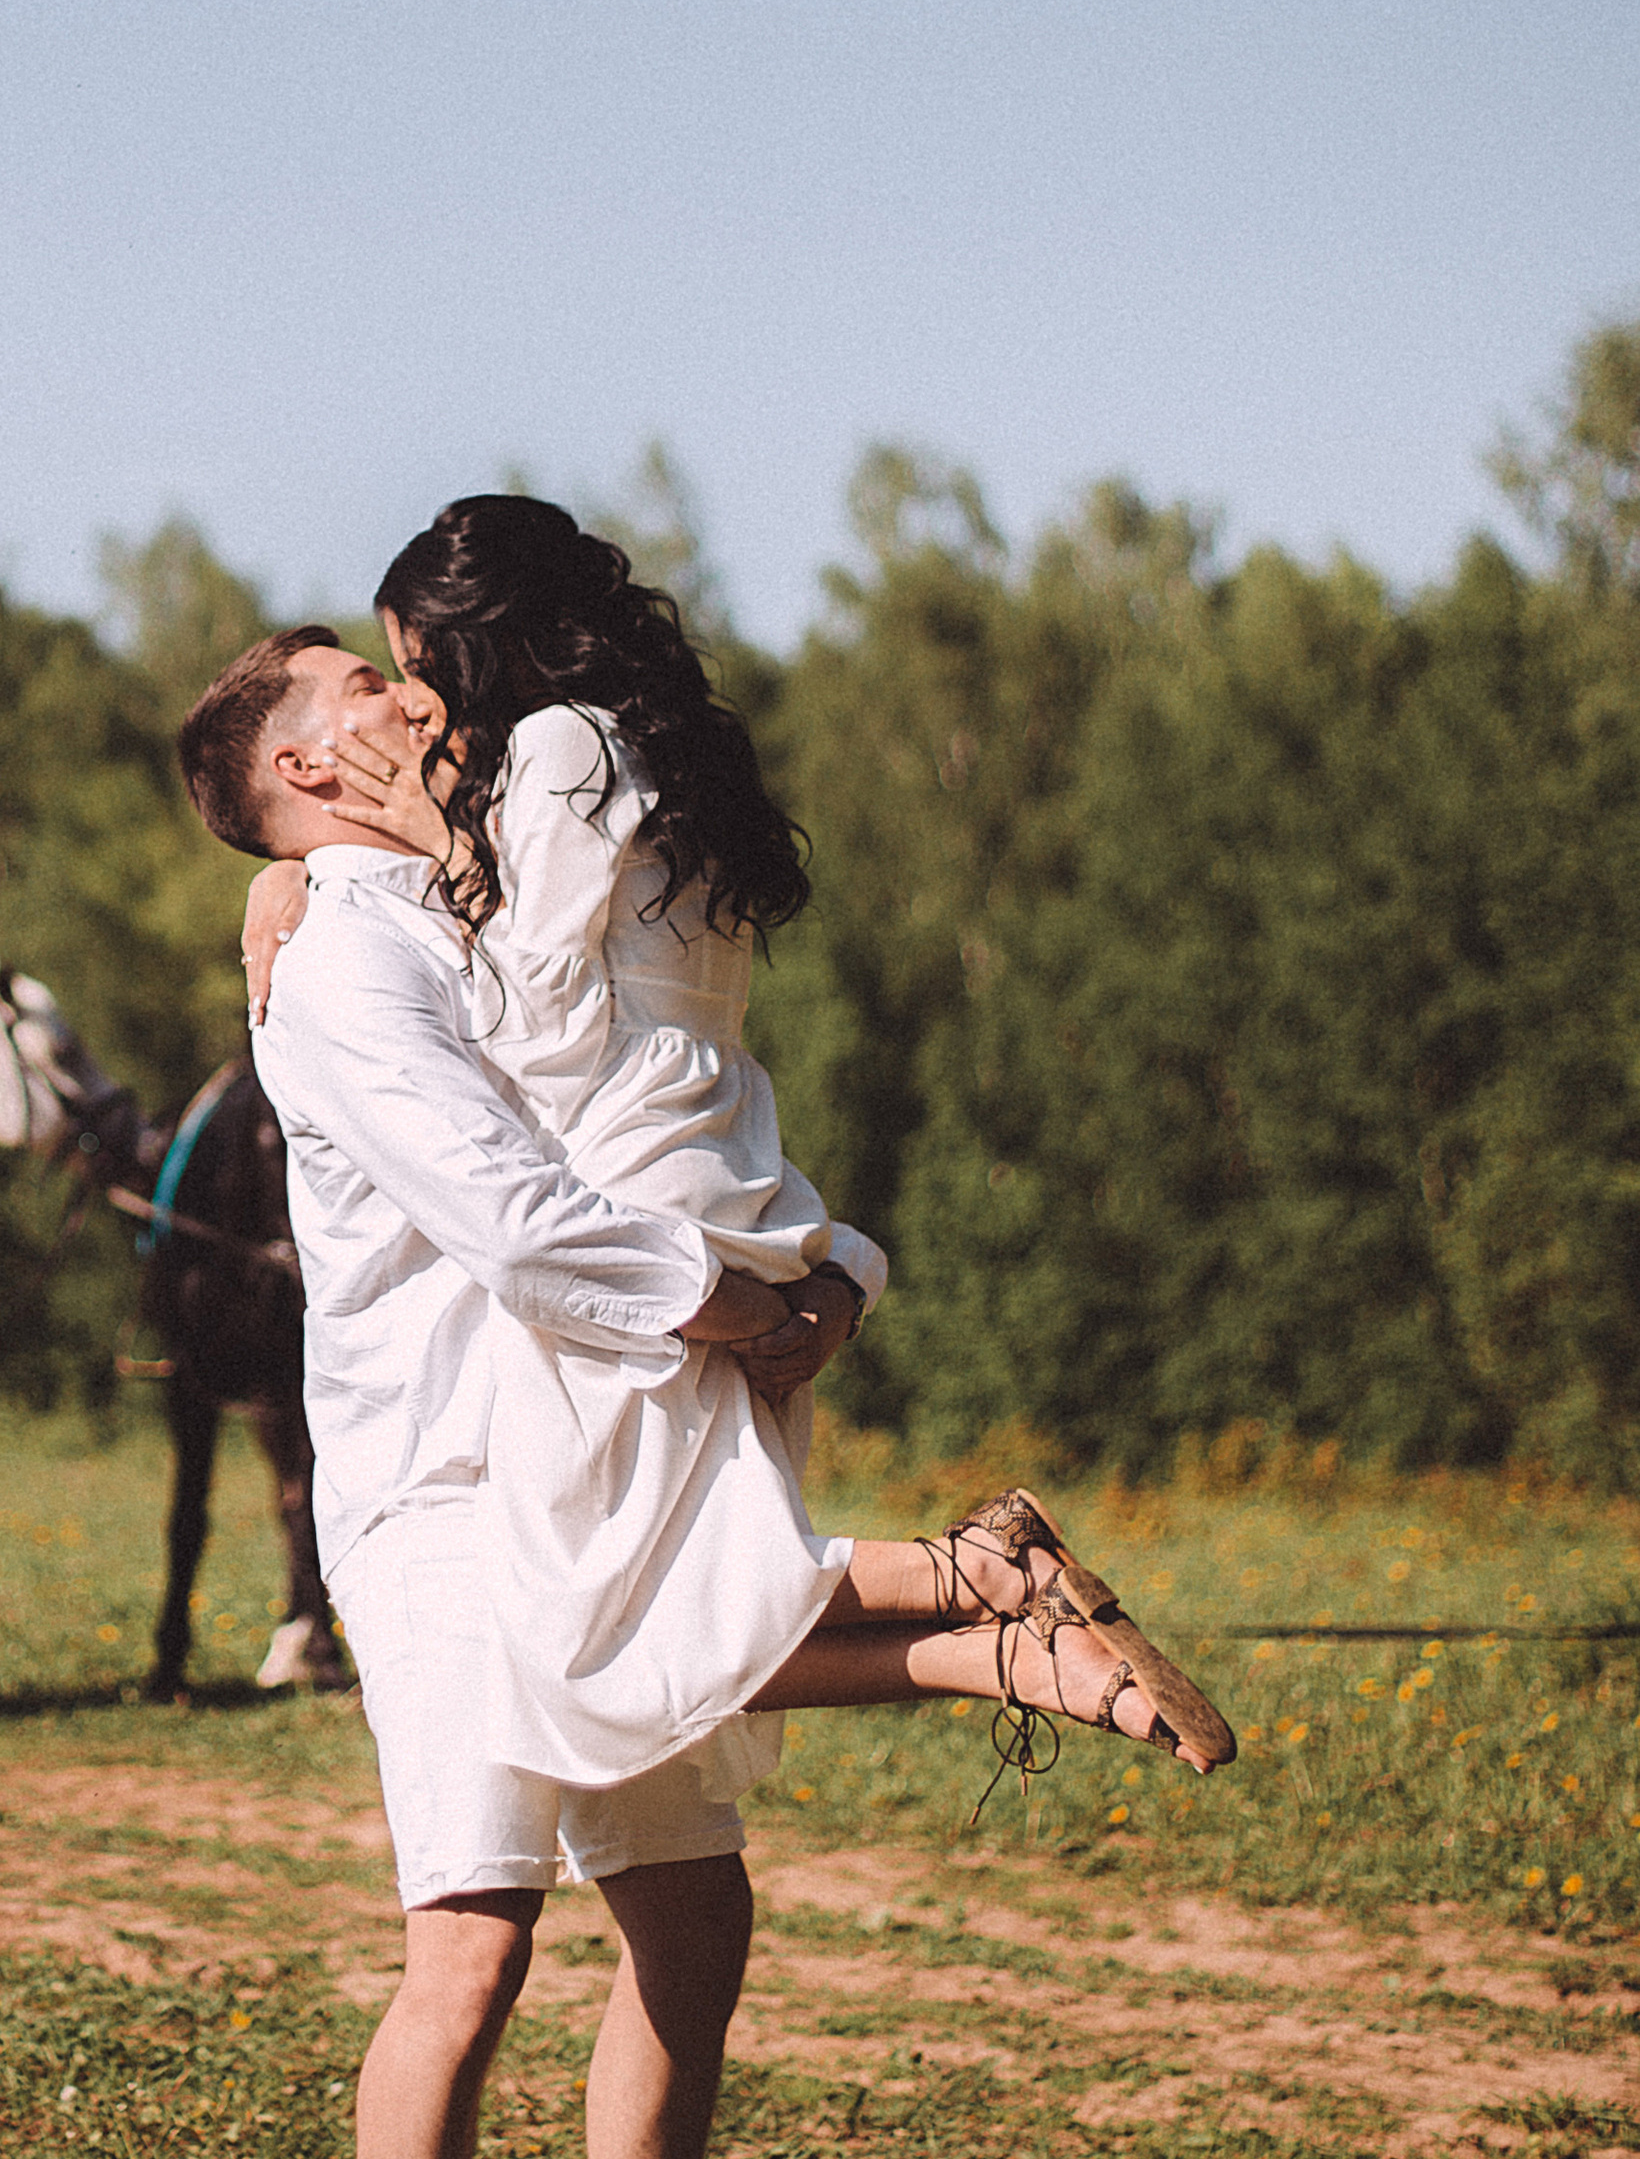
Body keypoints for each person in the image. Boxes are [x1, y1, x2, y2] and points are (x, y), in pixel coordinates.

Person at [179, 620, 1227, 2159]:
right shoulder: (340, 955)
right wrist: (739, 1307)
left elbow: (662, 1092)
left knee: (686, 1915)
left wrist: (816, 1260)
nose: (406, 701)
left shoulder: (493, 902)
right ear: (303, 778)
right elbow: (511, 1206)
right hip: (437, 1493)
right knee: (470, 1950)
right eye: (356, 695)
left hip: (592, 1450)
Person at [240, 496, 1226, 1792]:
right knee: (665, 1610)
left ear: (482, 643)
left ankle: (981, 1574)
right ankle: (1006, 1646)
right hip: (721, 1165)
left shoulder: (554, 754)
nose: (416, 709)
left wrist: (422, 845)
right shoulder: (649, 751)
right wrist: (300, 867)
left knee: (586, 1631)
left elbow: (540, 1029)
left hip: (630, 1194)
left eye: (416, 669)